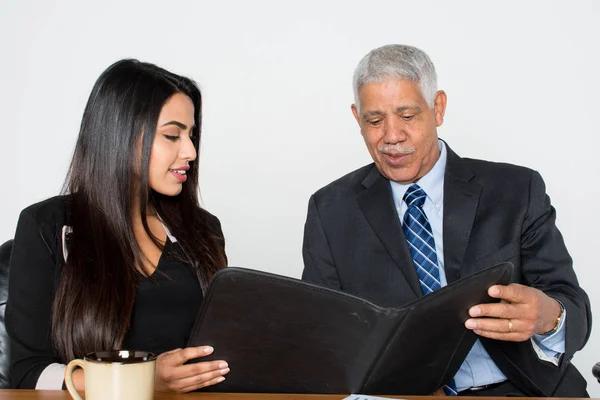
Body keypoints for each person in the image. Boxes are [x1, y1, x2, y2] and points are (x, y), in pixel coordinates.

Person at [301, 44, 591, 397]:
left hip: (525, 389)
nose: (391, 136)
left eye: (407, 116)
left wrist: (548, 316)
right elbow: (323, 337)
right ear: (356, 117)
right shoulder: (330, 210)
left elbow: (573, 307)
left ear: (437, 107)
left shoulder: (517, 190)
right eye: (374, 120)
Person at [6, 59, 230, 393]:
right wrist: (145, 380)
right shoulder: (48, 225)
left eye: (192, 135)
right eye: (172, 135)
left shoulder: (203, 230)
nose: (191, 151)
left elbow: (221, 353)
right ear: (121, 135)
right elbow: (28, 374)